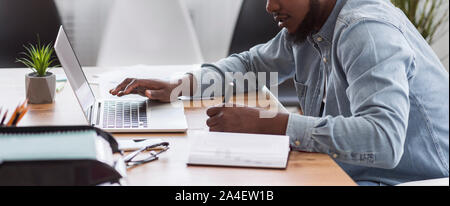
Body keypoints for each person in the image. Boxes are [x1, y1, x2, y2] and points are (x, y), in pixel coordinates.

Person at [110, 0, 449, 186]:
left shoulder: (366, 31)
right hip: (348, 169)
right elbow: (251, 66)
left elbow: (383, 142)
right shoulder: (310, 28)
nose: (270, 5)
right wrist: (179, 86)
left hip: (410, 178)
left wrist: (270, 123)